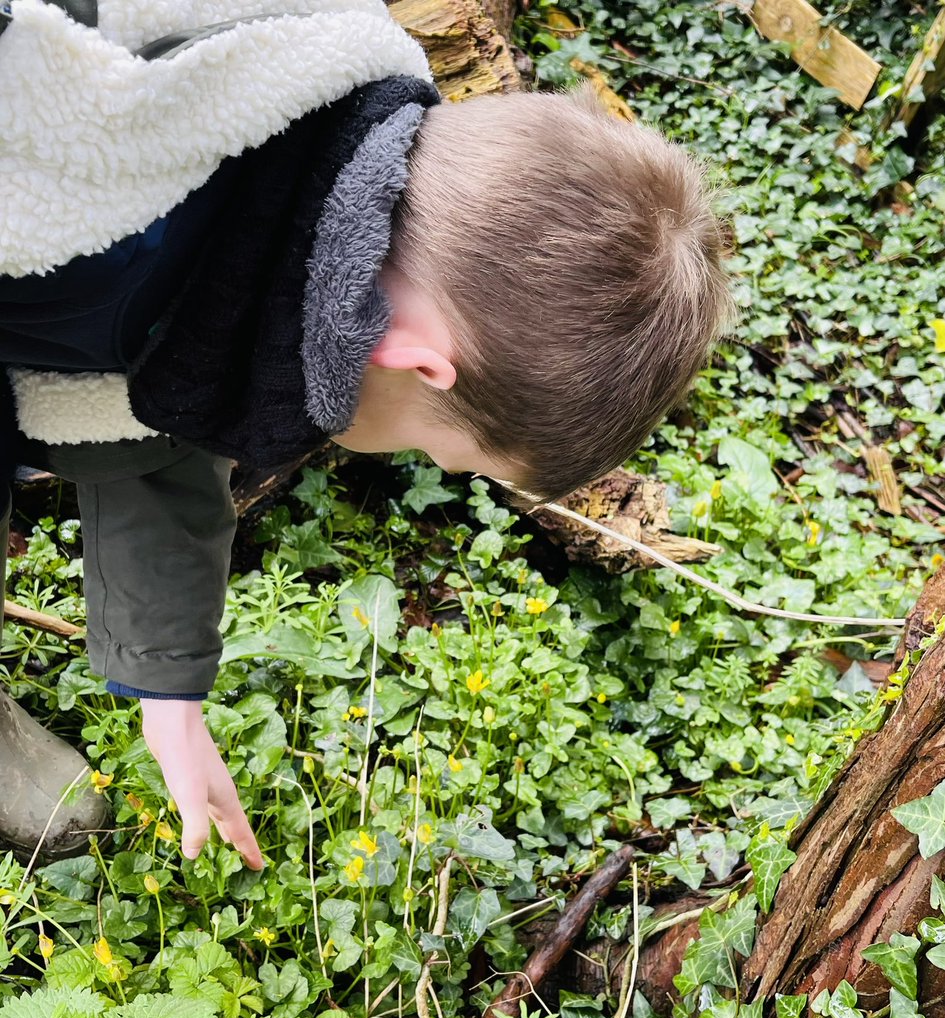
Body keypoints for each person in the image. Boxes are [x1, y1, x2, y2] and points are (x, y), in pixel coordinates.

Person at [0, 0, 733, 866]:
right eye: (436, 450)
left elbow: (159, 422)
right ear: (420, 362)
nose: (417, 458)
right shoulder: (70, 145)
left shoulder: (301, 184)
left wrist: (169, 691)